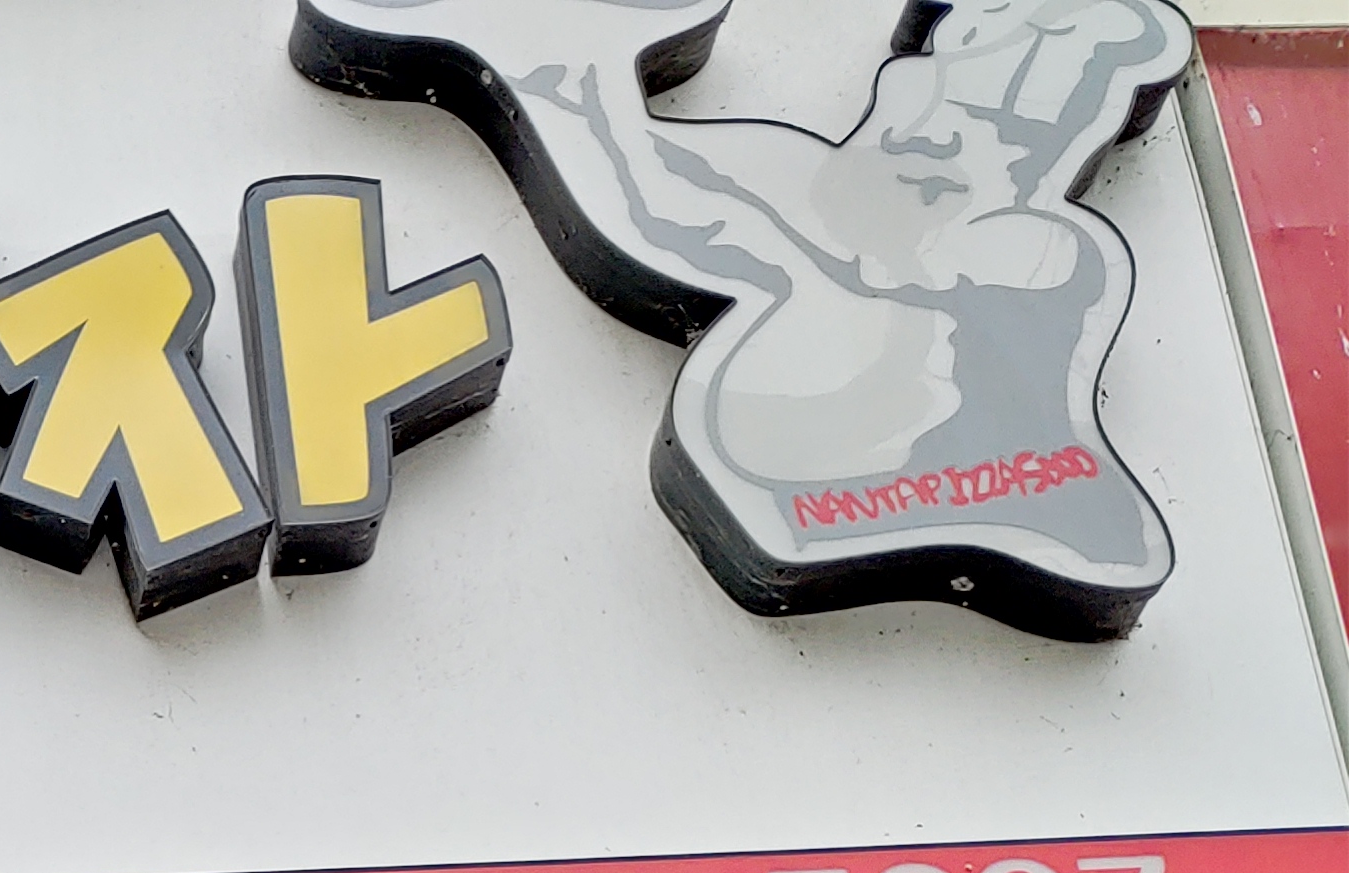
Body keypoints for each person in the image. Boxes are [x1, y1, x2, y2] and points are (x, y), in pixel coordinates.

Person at [295, 0, 1194, 634]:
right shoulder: (844, 194)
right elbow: (639, 186)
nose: (928, 124)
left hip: (895, 499)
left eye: (1005, 115)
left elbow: (648, 192)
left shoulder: (1039, 252)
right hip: (818, 487)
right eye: (927, 90)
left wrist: (554, 65)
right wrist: (550, 62)